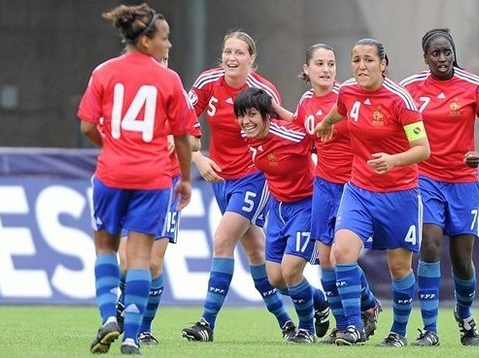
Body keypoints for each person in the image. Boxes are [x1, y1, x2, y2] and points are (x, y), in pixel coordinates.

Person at [181, 31, 327, 343]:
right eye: (227, 51)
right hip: (220, 178)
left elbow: (286, 129)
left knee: (222, 240)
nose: (231, 58)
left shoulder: (262, 91)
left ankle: (206, 323)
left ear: (252, 60)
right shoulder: (207, 82)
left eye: (239, 53)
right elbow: (181, 122)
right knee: (259, 257)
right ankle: (300, 314)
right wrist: (197, 157)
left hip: (255, 177)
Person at [77, 3, 195, 355]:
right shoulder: (168, 79)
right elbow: (182, 137)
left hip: (112, 173)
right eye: (165, 38)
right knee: (141, 258)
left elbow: (86, 125)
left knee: (106, 248)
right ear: (145, 41)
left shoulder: (103, 72)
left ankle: (107, 318)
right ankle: (131, 335)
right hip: (154, 177)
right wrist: (185, 179)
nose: (169, 45)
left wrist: (111, 145)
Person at [313, 38, 430, 347]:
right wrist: (325, 123)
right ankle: (351, 326)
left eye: (368, 60)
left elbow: (423, 150)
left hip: (400, 194)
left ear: (383, 64)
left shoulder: (400, 100)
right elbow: (340, 110)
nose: (361, 66)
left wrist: (393, 160)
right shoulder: (348, 91)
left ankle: (399, 333)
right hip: (359, 190)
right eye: (356, 60)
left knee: (398, 266)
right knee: (342, 252)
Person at [399, 27, 479, 347]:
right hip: (425, 178)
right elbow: (391, 113)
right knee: (429, 245)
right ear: (425, 57)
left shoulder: (474, 85)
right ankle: (430, 329)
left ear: (454, 54)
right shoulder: (411, 88)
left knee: (461, 260)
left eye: (447, 52)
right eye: (435, 53)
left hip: (463, 182)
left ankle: (464, 313)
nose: (442, 58)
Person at [288, 43, 382, 344]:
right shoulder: (305, 103)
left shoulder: (348, 96)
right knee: (325, 258)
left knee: (343, 254)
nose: (326, 69)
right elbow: (300, 134)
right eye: (319, 64)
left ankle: (356, 319)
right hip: (324, 185)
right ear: (307, 69)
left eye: (330, 63)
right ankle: (347, 321)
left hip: (352, 185)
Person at [115, 52, 202, 346]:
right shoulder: (124, 87)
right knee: (127, 262)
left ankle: (144, 327)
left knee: (153, 262)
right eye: (156, 57)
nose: (161, 64)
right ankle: (123, 308)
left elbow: (195, 139)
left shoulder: (175, 89)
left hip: (168, 182)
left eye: (166, 58)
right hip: (133, 181)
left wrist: (175, 140)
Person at [234, 87, 328, 343]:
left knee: (291, 270)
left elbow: (314, 133)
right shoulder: (247, 135)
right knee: (275, 278)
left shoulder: (291, 135)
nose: (246, 121)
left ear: (267, 115)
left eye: (252, 114)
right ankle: (321, 302)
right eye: (241, 115)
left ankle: (306, 329)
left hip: (307, 205)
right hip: (277, 207)